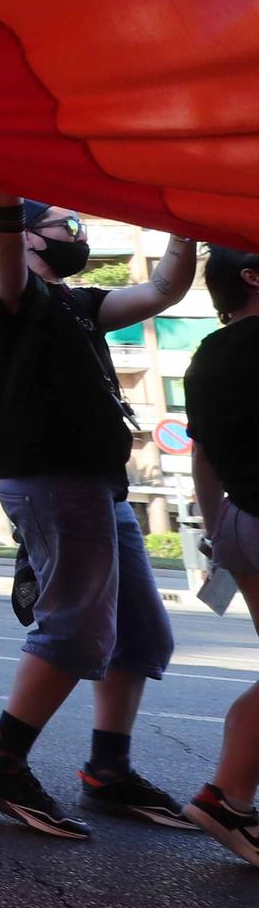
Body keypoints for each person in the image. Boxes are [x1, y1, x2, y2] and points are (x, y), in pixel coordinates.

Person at [0, 192, 196, 839]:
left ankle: (107, 772)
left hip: (99, 484)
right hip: (51, 477)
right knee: (76, 629)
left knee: (141, 634)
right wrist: (4, 193)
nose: (79, 231)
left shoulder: (80, 302)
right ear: (32, 238)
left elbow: (162, 289)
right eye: (67, 223)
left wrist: (184, 223)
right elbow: (3, 250)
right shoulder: (11, 295)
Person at [182, 245, 259, 867]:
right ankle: (225, 796)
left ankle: (230, 798)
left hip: (241, 519)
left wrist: (218, 531)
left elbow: (201, 455)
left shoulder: (206, 355)